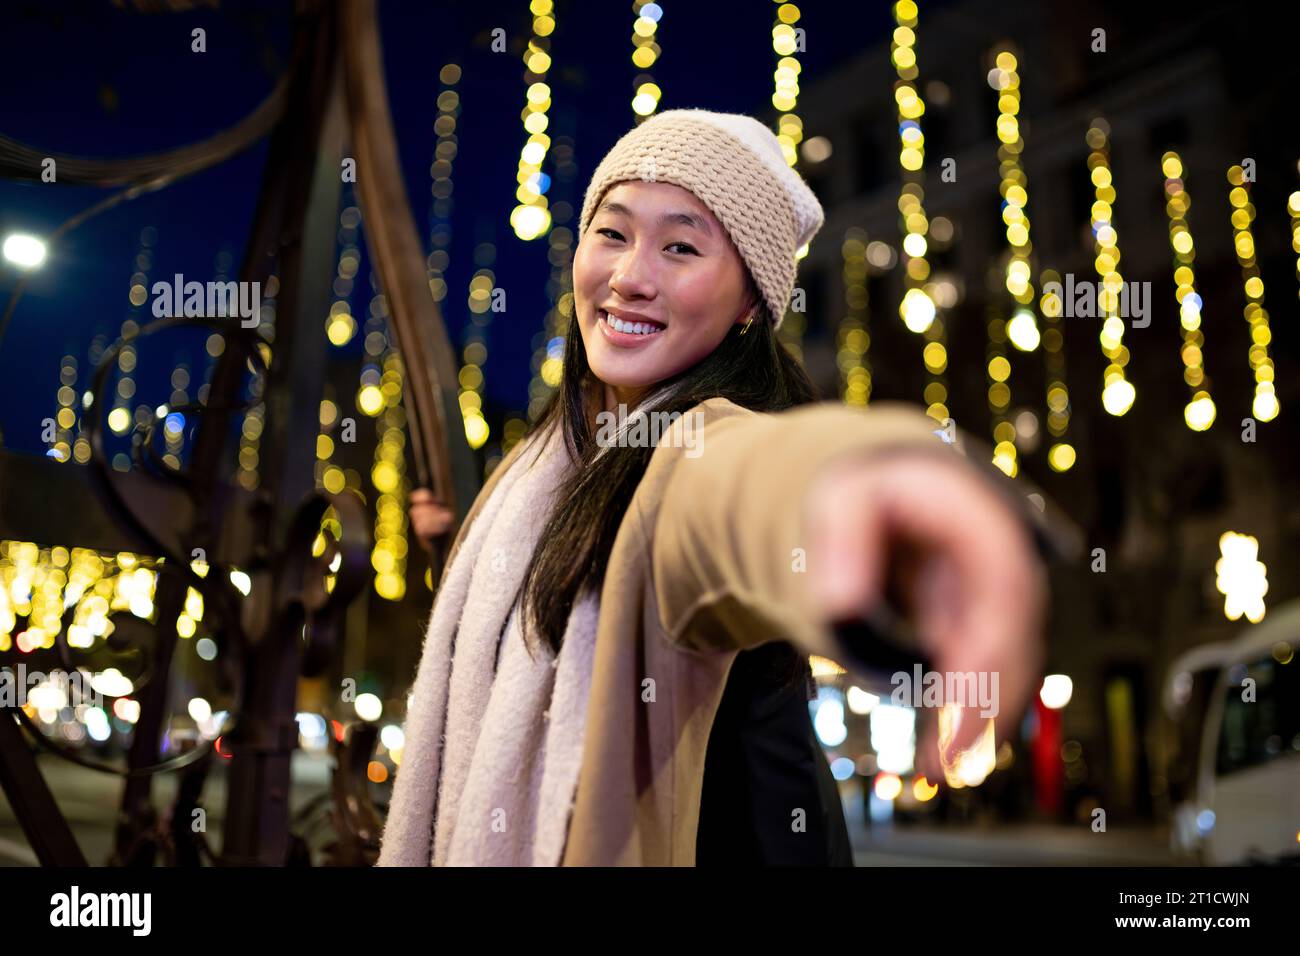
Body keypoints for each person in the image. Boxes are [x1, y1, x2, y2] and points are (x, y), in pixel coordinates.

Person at [379, 109, 1046, 867]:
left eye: (681, 248)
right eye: (613, 232)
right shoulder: (547, 464)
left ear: (751, 306)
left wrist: (869, 493)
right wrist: (464, 551)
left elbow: (746, 494)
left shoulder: (701, 448)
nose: (630, 277)